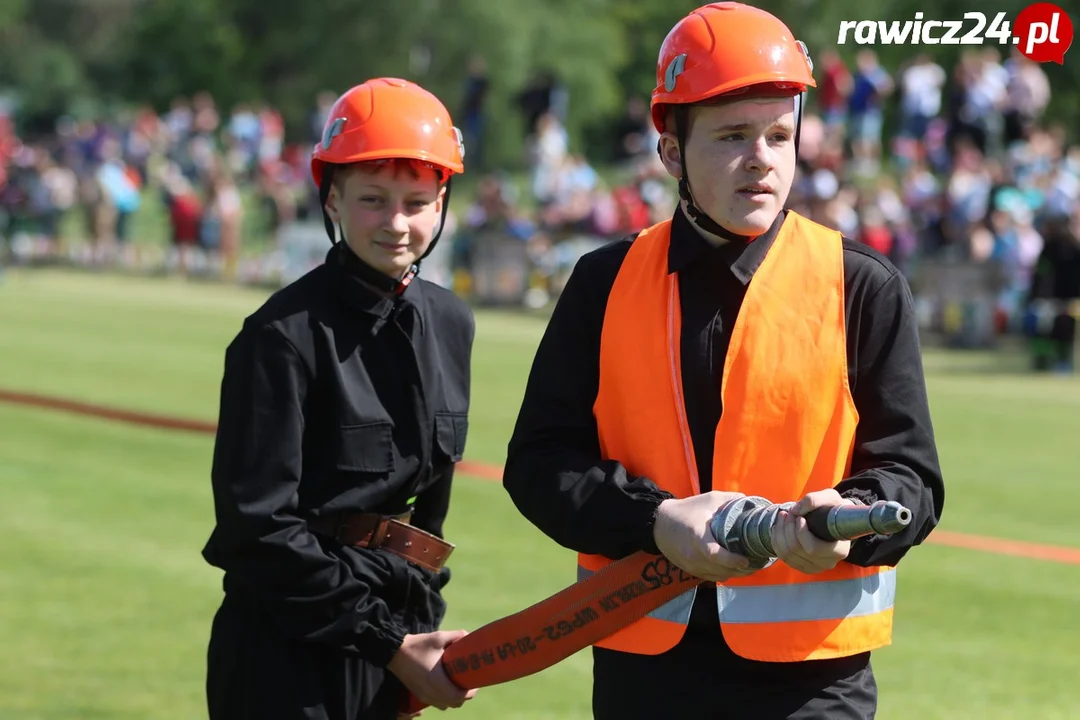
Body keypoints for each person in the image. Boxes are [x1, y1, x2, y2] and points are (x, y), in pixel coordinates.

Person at [502, 4, 945, 719]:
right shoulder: (603, 283)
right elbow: (541, 465)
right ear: (671, 151)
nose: (762, 158)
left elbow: (913, 478)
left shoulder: (862, 284)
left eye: (778, 135)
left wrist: (854, 516)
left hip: (813, 682)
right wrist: (654, 521)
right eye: (733, 136)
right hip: (645, 673)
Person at [202, 77, 478, 719]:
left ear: (442, 203)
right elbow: (257, 532)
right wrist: (387, 642)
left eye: (417, 201)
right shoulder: (278, 338)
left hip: (391, 642)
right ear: (332, 197)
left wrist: (417, 632)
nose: (398, 224)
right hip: (285, 657)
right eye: (373, 200)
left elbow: (425, 522)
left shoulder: (451, 322)